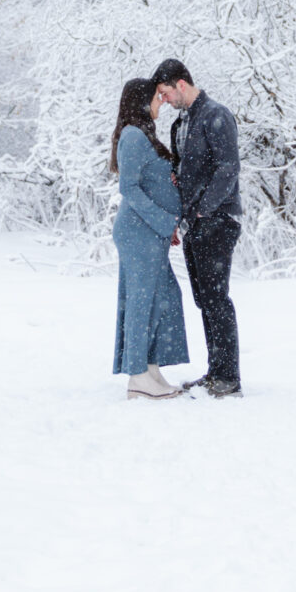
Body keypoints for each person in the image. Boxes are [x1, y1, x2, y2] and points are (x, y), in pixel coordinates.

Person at [152, 57, 241, 396]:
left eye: (166, 93)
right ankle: (216, 371)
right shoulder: (180, 126)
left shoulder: (216, 115)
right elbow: (185, 174)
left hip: (218, 220)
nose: (165, 100)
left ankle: (229, 378)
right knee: (204, 299)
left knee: (217, 299)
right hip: (194, 224)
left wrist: (203, 210)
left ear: (181, 85)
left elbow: (228, 169)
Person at [108, 76, 189, 400]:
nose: (162, 102)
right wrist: (164, 220)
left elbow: (151, 179)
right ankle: (137, 376)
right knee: (143, 302)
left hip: (151, 232)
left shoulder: (145, 136)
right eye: (157, 97)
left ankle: (151, 367)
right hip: (138, 232)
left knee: (163, 298)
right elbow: (128, 188)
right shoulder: (131, 135)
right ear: (141, 101)